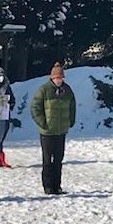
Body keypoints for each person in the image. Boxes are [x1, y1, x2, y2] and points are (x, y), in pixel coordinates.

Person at [32, 62, 77, 195]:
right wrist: (43, 123)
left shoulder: (67, 90)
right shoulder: (43, 90)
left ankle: (57, 186)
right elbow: (35, 108)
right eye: (56, 78)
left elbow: (72, 106)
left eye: (61, 78)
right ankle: (47, 186)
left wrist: (71, 121)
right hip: (47, 132)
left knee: (58, 160)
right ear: (52, 78)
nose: (59, 80)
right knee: (47, 160)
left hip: (61, 131)